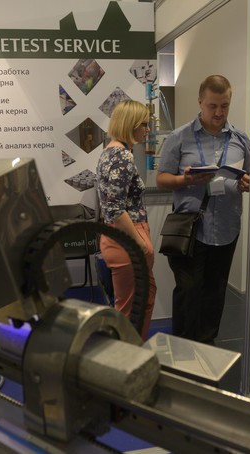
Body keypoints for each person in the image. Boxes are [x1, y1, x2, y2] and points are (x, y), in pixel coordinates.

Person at [156, 75, 250, 344]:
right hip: (191, 229)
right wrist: (185, 180)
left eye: (224, 106)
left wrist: (247, 183)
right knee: (188, 292)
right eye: (212, 106)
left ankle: (208, 348)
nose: (219, 112)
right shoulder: (179, 137)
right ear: (200, 102)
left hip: (226, 228)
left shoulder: (240, 139)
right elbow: (162, 179)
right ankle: (183, 350)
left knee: (215, 292)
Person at [97, 99, 157, 339]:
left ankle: (132, 352)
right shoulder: (123, 156)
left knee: (141, 301)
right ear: (130, 124)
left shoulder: (109, 152)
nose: (147, 129)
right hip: (127, 238)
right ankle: (126, 355)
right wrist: (139, 243)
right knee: (130, 311)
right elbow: (114, 208)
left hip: (119, 238)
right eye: (144, 124)